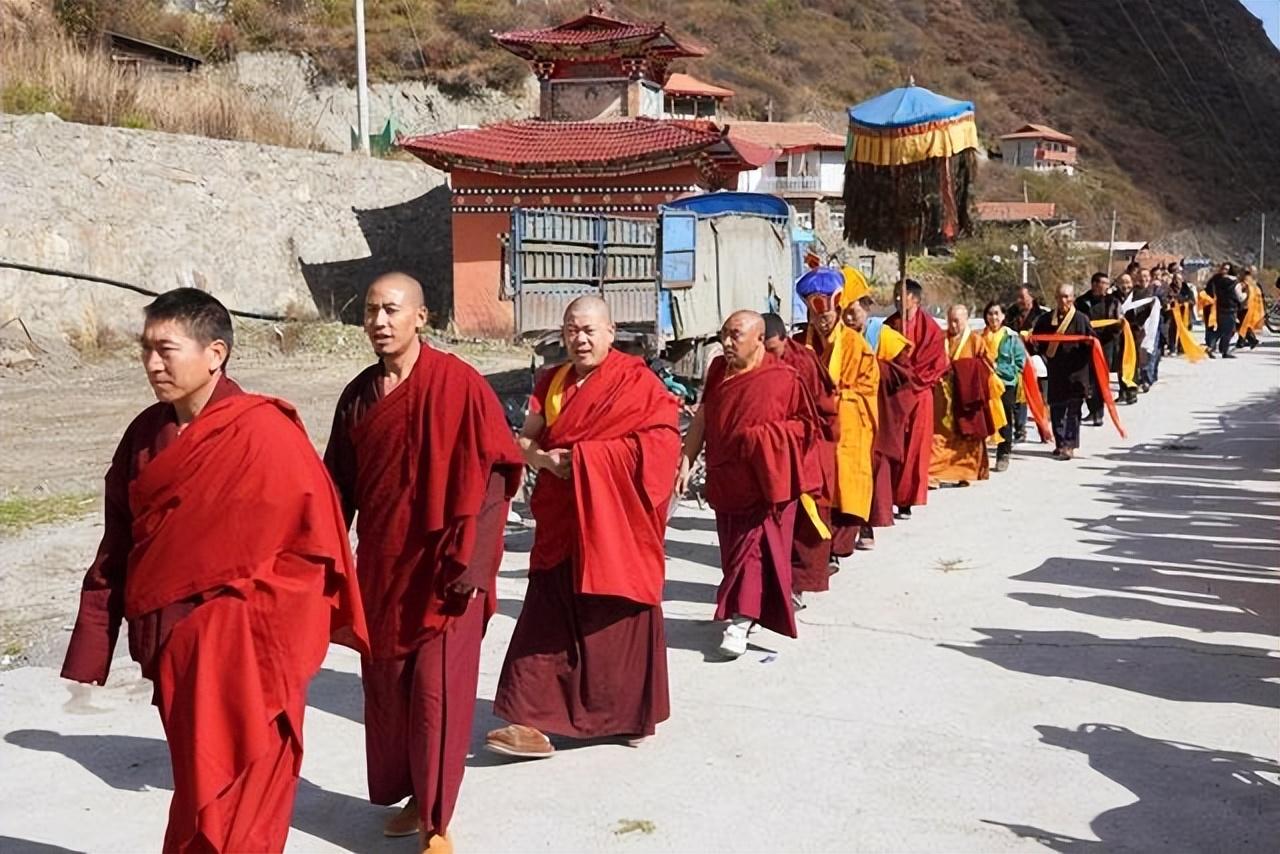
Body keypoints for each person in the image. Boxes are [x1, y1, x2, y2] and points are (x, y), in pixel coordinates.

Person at [61, 288, 368, 853]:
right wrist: (94, 640)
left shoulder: (265, 432)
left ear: (215, 353)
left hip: (250, 655)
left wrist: (233, 622)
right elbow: (120, 539)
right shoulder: (145, 436)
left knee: (245, 800)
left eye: (166, 350)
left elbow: (315, 549)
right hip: (173, 647)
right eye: (146, 349)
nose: (153, 364)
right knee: (198, 785)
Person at [324, 273, 522, 850]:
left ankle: (437, 820)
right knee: (391, 691)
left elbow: (496, 475)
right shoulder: (358, 396)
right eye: (370, 311)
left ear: (422, 317)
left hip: (447, 568)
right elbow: (337, 486)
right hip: (384, 569)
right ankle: (413, 797)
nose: (379, 322)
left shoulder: (457, 384)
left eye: (391, 310)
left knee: (438, 693)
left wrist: (476, 563)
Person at [489, 296, 680, 752]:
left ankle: (626, 715)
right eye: (572, 330)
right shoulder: (551, 383)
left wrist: (588, 460)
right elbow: (522, 440)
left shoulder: (636, 382)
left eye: (590, 330)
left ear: (612, 334)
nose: (581, 339)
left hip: (617, 522)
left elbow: (661, 444)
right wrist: (546, 461)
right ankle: (528, 720)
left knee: (615, 621)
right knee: (545, 617)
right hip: (564, 522)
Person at [679, 310, 822, 658]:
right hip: (727, 477)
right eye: (724, 335)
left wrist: (765, 440)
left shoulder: (784, 378)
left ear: (759, 339)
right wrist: (686, 459)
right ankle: (749, 609)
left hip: (766, 482)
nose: (727, 343)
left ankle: (739, 623)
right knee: (734, 552)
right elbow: (705, 414)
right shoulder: (717, 370)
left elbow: (807, 429)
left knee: (753, 551)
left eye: (735, 335)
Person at [795, 279, 879, 568]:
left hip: (846, 429)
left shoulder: (857, 345)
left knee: (845, 486)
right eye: (815, 316)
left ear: (839, 311)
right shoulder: (798, 347)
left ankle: (836, 548)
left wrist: (836, 400)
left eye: (827, 316)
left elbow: (868, 388)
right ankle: (819, 551)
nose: (821, 323)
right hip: (812, 430)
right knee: (814, 489)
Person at [763, 312, 839, 597]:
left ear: (785, 339)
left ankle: (798, 585)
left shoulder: (803, 361)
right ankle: (775, 584)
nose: (768, 356)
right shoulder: (754, 361)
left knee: (810, 516)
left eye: (773, 349)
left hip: (806, 446)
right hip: (771, 450)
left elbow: (824, 407)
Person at [844, 295, 912, 549]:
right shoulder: (839, 337)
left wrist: (874, 368)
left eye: (853, 311)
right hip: (848, 414)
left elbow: (905, 373)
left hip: (876, 414)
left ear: (866, 307)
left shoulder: (883, 335)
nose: (849, 318)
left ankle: (867, 527)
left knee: (871, 471)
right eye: (844, 313)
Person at [884, 279, 948, 519]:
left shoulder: (930, 328)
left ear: (916, 299)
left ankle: (907, 500)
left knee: (914, 449)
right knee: (893, 445)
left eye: (903, 296)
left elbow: (937, 363)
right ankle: (888, 496)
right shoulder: (889, 325)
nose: (898, 299)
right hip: (895, 395)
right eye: (895, 295)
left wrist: (911, 377)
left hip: (920, 395)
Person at [929, 305, 995, 485]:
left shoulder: (975, 340)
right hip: (942, 396)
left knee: (967, 434)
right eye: (950, 320)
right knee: (938, 436)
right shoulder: (940, 338)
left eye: (957, 321)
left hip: (967, 396)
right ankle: (934, 474)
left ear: (966, 321)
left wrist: (966, 371)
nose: (953, 325)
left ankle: (964, 473)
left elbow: (988, 365)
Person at [1033, 284, 1096, 460]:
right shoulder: (1046, 320)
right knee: (1057, 409)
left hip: (1077, 372)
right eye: (1060, 297)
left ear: (1073, 298)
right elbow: (1036, 339)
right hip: (1056, 371)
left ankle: (1069, 444)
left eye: (1067, 297)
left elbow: (1092, 341)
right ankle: (1060, 443)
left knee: (1074, 411)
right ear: (1055, 298)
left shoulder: (1081, 319)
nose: (1064, 301)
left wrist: (1088, 343)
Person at [979, 302, 1027, 472]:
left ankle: (1004, 453)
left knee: (1004, 419)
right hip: (984, 384)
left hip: (1005, 384)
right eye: (990, 313)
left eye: (997, 314)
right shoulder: (979, 337)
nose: (994, 317)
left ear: (1003, 316)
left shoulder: (1011, 337)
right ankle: (980, 456)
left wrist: (1000, 369)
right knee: (983, 420)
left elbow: (1021, 361)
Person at [1075, 272, 1123, 421]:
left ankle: (1099, 412)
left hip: (1106, 345)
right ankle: (1092, 409)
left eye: (1107, 284)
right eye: (1103, 283)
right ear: (1095, 284)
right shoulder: (1082, 302)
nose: (1106, 287)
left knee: (1101, 378)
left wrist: (1116, 329)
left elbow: (1118, 323)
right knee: (1087, 379)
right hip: (1086, 344)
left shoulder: (1112, 302)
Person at [1005, 285, 1048, 443]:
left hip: (1037, 359)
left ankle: (1044, 429)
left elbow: (1047, 337)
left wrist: (1032, 339)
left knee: (1041, 397)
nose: (1019, 301)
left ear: (1032, 297)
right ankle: (1020, 429)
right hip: (1016, 360)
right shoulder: (1011, 313)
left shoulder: (1043, 315)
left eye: (1022, 297)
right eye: (1018, 297)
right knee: (1018, 396)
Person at [1204, 262, 1241, 358]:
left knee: (1222, 329)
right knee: (1228, 330)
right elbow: (1239, 296)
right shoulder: (1234, 282)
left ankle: (1216, 348)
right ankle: (1222, 350)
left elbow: (1208, 290)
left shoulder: (1216, 279)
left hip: (1220, 307)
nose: (1224, 271)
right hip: (1230, 308)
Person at [1235, 267, 1264, 350]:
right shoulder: (1255, 284)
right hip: (1253, 308)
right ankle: (1243, 341)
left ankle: (1249, 340)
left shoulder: (1244, 283)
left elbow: (1240, 294)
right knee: (1245, 325)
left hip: (1245, 307)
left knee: (1242, 325)